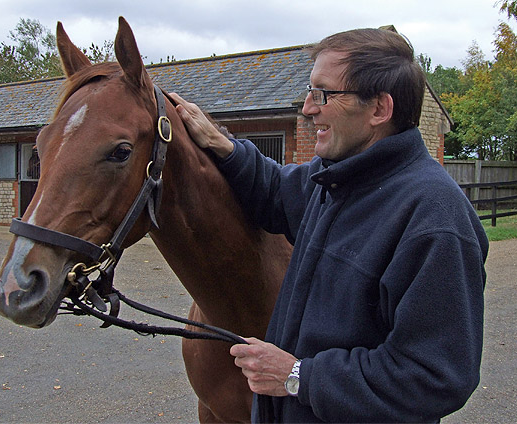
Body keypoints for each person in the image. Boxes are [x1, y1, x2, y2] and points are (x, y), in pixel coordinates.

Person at [170, 28, 488, 423]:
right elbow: (276, 192)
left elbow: (435, 376)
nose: (306, 107)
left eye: (323, 93)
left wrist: (298, 376)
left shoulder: (434, 219)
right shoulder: (337, 179)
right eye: (309, 90)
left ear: (378, 109)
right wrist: (224, 145)